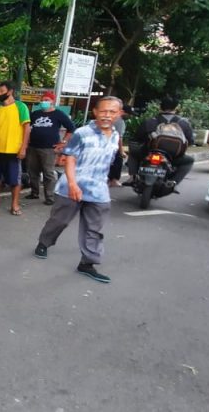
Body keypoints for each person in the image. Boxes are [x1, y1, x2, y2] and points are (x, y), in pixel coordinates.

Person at [34, 96, 124, 284]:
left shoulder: (115, 135)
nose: (107, 115)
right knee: (59, 221)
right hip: (71, 187)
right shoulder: (82, 133)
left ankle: (87, 263)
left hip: (99, 191)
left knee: (94, 229)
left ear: (119, 114)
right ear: (95, 112)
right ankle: (44, 243)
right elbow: (70, 159)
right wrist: (74, 184)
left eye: (112, 111)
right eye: (103, 111)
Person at [0, 81, 31, 215]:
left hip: (13, 150)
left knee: (15, 179)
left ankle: (14, 205)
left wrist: (23, 148)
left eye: (2, 91)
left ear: (10, 91)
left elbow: (27, 128)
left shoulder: (21, 107)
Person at [128, 96, 194, 186]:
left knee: (133, 153)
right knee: (189, 161)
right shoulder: (184, 123)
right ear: (176, 108)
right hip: (173, 157)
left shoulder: (149, 121)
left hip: (148, 153)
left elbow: (137, 138)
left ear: (160, 107)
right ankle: (174, 182)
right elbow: (190, 141)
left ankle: (133, 176)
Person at [26, 91, 76, 205]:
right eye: (43, 100)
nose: (44, 102)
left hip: (49, 148)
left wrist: (63, 142)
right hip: (33, 146)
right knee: (32, 171)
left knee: (48, 173)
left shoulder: (58, 114)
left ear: (52, 101)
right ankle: (34, 193)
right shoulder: (35, 114)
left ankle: (50, 197)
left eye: (47, 100)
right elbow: (27, 126)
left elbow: (71, 128)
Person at [108, 108, 129, 187]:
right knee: (118, 160)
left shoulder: (113, 118)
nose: (129, 116)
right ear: (123, 112)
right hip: (113, 145)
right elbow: (119, 138)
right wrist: (121, 151)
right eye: (128, 114)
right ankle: (114, 180)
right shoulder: (120, 121)